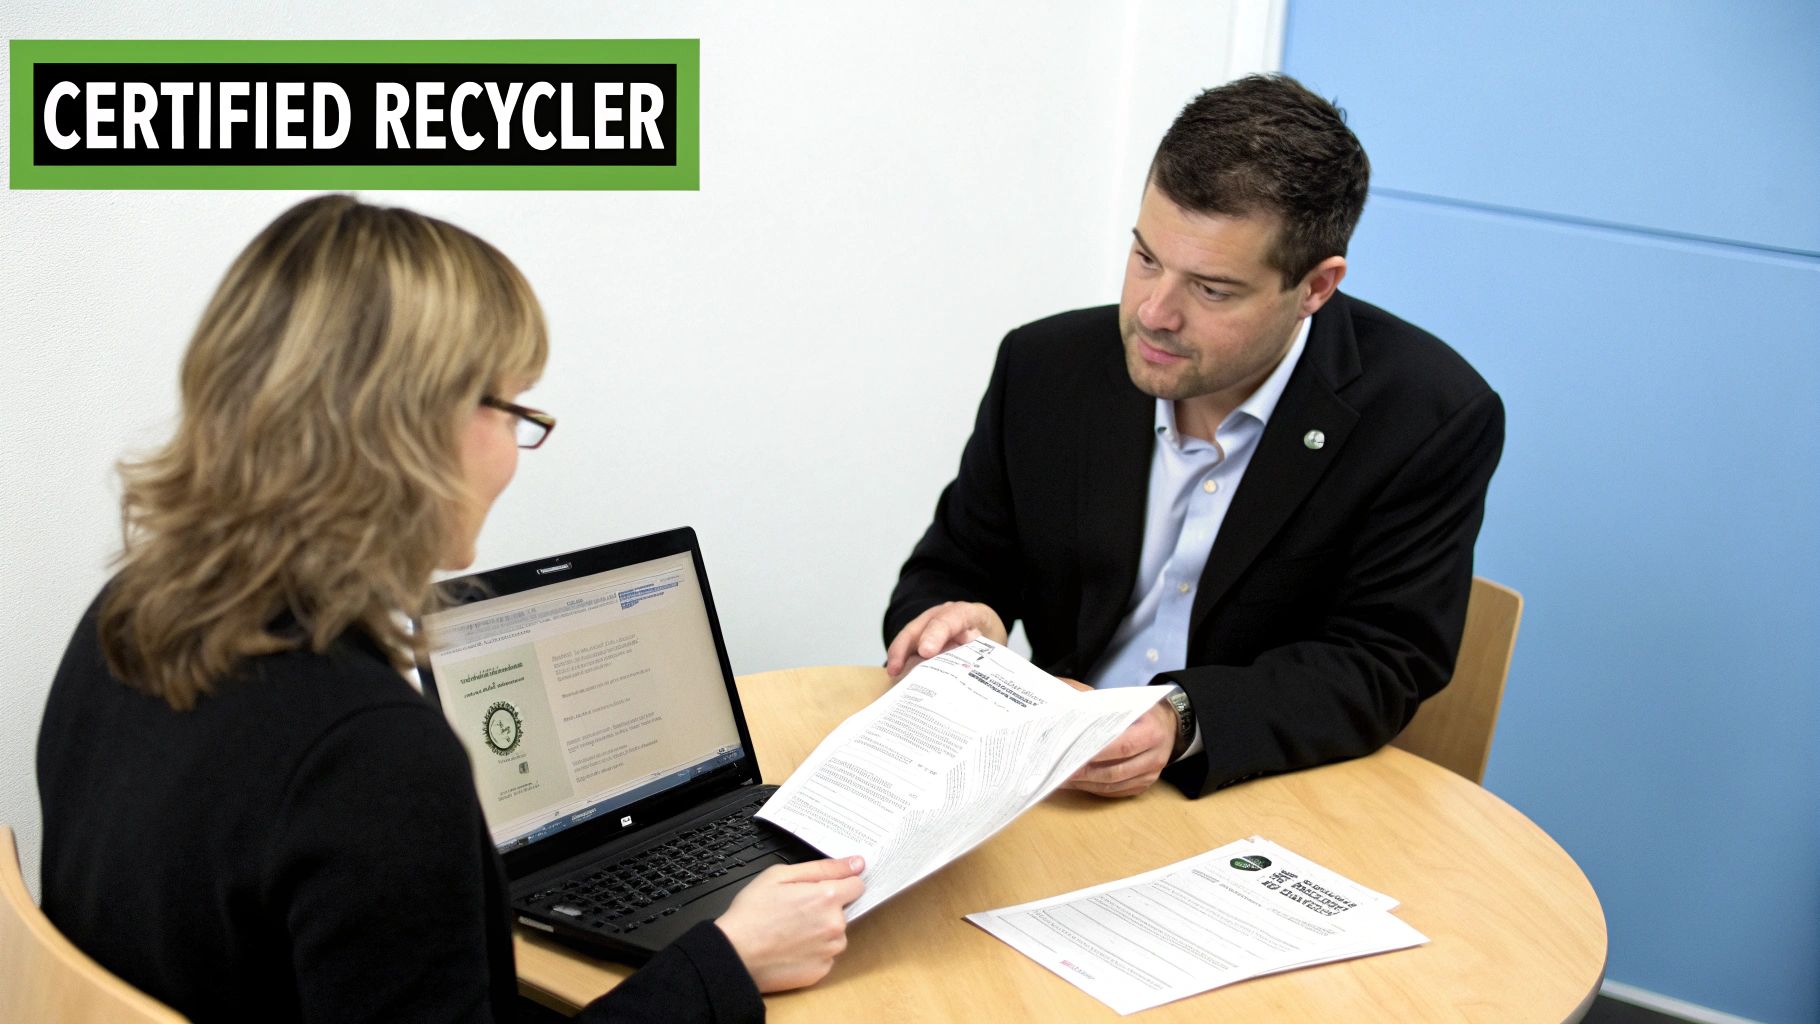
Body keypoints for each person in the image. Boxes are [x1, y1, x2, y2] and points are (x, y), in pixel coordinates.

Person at [36, 195, 863, 1023]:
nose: (515, 452)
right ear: (411, 426)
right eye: (513, 409)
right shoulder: (370, 761)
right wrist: (725, 963)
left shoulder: (127, 620)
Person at [884, 74, 1504, 801]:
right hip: (1052, 784)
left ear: (1316, 287)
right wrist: (961, 625)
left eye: (1211, 290)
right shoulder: (1045, 367)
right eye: (1146, 257)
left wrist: (1182, 717)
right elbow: (953, 567)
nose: (1154, 313)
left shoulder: (1426, 415)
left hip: (1249, 796)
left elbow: (1382, 661)